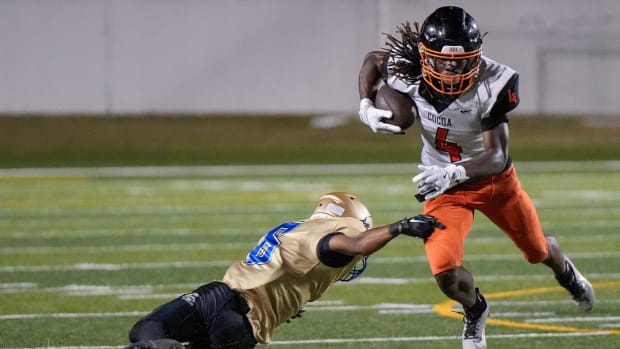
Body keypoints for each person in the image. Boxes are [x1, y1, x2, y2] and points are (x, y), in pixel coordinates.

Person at [357, 6, 595, 349]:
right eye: (443, 59)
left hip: (493, 182)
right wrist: (365, 103)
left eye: (462, 59)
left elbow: (496, 155)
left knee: (537, 249)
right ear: (425, 55)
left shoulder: (496, 81)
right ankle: (475, 309)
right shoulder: (405, 67)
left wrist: (453, 171)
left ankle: (567, 274)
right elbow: (372, 60)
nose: (452, 67)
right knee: (445, 273)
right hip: (443, 190)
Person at [124, 192, 445, 349]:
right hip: (240, 322)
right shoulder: (333, 236)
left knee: (146, 331)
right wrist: (400, 227)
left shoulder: (295, 228)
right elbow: (356, 245)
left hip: (217, 293)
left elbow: (282, 271)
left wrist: (286, 303)